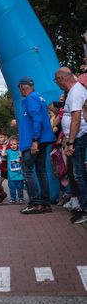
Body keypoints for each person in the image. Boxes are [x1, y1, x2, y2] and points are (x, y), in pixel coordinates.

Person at [17, 76, 55, 214]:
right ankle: (45, 203)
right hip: (42, 140)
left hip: (34, 141)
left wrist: (34, 140)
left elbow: (37, 119)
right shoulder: (39, 97)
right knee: (41, 170)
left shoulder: (31, 98)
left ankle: (36, 203)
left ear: (22, 87)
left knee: (27, 170)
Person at [54, 67, 87, 224]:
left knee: (79, 174)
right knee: (75, 173)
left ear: (62, 79)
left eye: (57, 81)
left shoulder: (75, 92)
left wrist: (71, 142)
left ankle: (85, 209)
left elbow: (76, 119)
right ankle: (82, 205)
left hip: (78, 137)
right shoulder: (74, 91)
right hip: (76, 137)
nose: (57, 84)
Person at [2, 135, 25, 204]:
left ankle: (21, 198)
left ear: (18, 144)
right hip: (11, 175)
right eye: (11, 145)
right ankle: (13, 198)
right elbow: (3, 154)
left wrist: (20, 158)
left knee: (20, 188)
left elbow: (21, 156)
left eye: (14, 144)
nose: (13, 146)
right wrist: (5, 147)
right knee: (12, 188)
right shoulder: (8, 151)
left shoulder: (19, 151)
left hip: (19, 174)